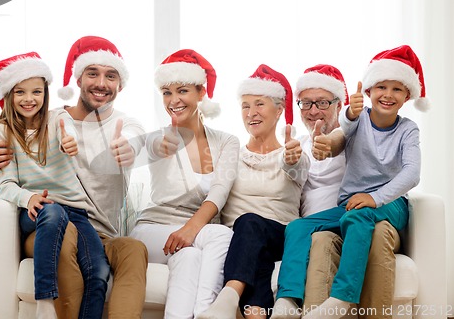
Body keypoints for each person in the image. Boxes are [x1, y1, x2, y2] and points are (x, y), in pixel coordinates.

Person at [0, 36, 148, 319]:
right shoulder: (51, 120)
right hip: (49, 224)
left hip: (100, 232)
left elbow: (134, 140)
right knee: (64, 228)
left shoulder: (126, 125)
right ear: (77, 78)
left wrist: (127, 148)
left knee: (133, 248)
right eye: (92, 73)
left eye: (111, 76)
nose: (101, 83)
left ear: (120, 84)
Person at [272, 45, 428, 319]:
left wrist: (375, 197)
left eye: (397, 89)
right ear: (368, 92)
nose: (388, 95)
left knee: (358, 216)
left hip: (390, 204)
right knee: (298, 227)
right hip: (352, 206)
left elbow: (412, 173)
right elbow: (341, 132)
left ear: (406, 97)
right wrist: (327, 143)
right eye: (381, 87)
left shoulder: (407, 129)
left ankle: (342, 298)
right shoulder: (357, 119)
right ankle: (287, 299)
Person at [0, 51, 109, 319]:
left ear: (45, 93)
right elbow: (5, 185)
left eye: (36, 92)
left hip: (75, 211)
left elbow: (69, 132)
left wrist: (70, 142)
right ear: (9, 96)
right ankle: (45, 303)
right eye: (20, 92)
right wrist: (28, 199)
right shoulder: (2, 130)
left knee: (98, 272)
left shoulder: (57, 120)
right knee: (52, 212)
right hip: (37, 210)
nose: (29, 99)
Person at [130, 49, 240, 319]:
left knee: (189, 258)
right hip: (153, 231)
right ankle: (208, 313)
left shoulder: (227, 142)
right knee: (221, 234)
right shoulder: (158, 139)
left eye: (182, 91)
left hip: (190, 238)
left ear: (201, 93)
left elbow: (220, 191)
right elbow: (133, 149)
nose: (173, 100)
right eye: (167, 92)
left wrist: (190, 230)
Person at [196, 64, 309, 319]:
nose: (251, 113)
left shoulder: (293, 152)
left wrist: (292, 159)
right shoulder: (230, 153)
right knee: (252, 242)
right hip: (240, 242)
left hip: (280, 235)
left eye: (259, 104)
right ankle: (256, 314)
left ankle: (229, 294)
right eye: (245, 106)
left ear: (279, 110)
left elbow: (297, 169)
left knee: (248, 222)